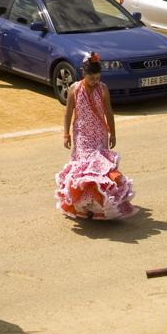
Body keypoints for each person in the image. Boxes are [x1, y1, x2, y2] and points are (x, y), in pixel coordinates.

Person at [56, 53, 136, 220]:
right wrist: (66, 134)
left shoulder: (103, 88)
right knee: (85, 169)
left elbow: (109, 112)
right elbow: (68, 113)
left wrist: (113, 133)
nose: (95, 81)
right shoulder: (74, 89)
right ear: (84, 74)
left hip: (100, 134)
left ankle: (100, 207)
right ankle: (83, 206)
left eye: (98, 77)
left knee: (100, 170)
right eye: (92, 78)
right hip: (82, 136)